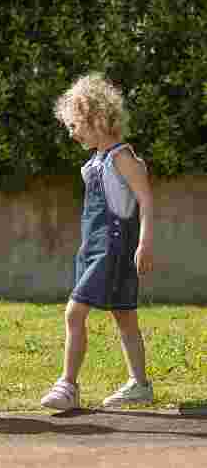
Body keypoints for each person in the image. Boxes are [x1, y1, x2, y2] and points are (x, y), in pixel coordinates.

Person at [40, 72, 154, 410]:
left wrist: (144, 243)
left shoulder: (122, 158)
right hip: (93, 248)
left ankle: (68, 385)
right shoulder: (95, 162)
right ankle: (139, 384)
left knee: (74, 314)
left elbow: (146, 200)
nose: (71, 133)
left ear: (97, 119)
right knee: (125, 317)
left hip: (113, 249)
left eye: (75, 125)